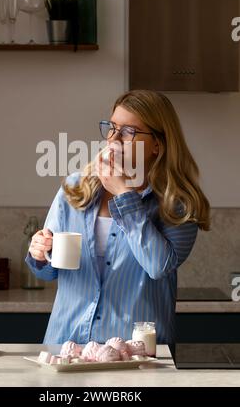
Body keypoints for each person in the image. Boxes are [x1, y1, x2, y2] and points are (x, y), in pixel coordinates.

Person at [26, 90, 210, 344]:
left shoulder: (177, 204)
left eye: (128, 132)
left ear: (157, 144)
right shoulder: (76, 189)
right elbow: (49, 272)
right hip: (67, 348)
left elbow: (158, 266)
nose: (113, 139)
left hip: (136, 356)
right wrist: (41, 253)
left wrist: (124, 194)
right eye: (111, 128)